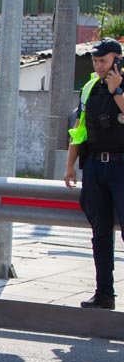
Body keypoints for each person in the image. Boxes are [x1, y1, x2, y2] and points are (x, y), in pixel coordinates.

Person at [63, 38, 124, 310]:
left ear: (117, 61)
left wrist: (117, 91)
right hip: (96, 168)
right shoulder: (88, 88)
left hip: (122, 167)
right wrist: (69, 165)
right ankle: (104, 294)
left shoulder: (120, 86)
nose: (99, 66)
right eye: (96, 61)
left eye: (104, 61)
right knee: (100, 233)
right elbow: (79, 130)